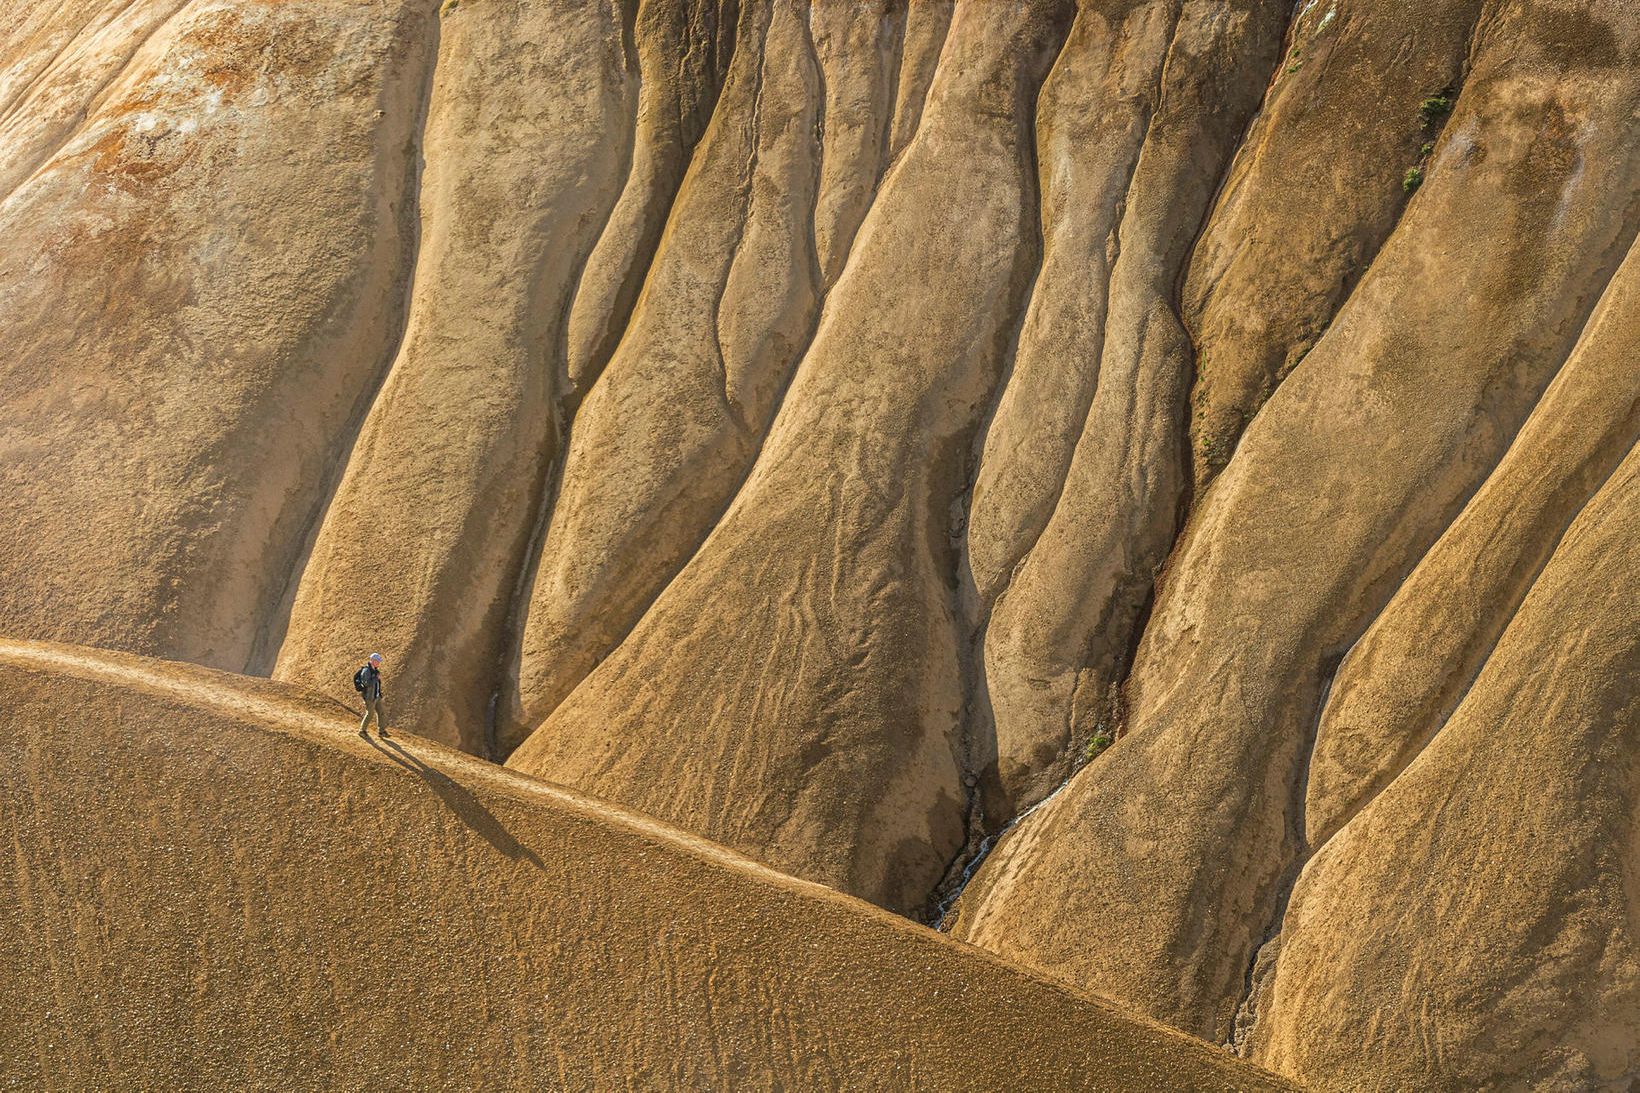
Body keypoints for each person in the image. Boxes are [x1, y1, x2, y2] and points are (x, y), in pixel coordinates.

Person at [355, 652, 387, 735]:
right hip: (370, 697)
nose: (379, 663)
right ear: (372, 660)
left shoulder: (375, 670)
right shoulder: (366, 671)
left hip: (376, 696)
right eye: (378, 661)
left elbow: (377, 684)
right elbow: (367, 683)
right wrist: (376, 678)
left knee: (381, 712)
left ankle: (382, 731)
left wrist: (379, 694)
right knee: (370, 714)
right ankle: (362, 731)